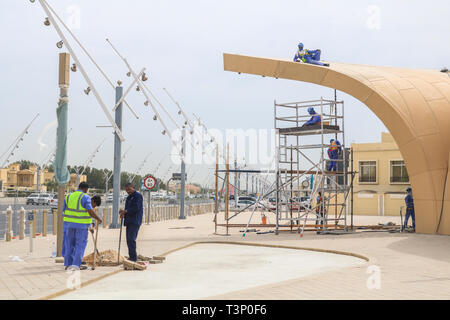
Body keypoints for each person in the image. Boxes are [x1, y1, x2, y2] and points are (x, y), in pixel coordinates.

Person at [63, 182, 102, 271]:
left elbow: (64, 211)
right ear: (86, 189)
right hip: (81, 226)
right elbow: (90, 211)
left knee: (69, 245)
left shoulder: (68, 196)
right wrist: (98, 219)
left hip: (69, 225)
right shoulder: (85, 197)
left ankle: (68, 264)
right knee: (80, 245)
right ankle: (76, 265)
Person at [120, 183, 143, 262]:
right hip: (129, 221)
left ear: (133, 188)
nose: (128, 191)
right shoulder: (129, 197)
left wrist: (125, 211)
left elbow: (136, 208)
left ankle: (133, 258)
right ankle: (131, 256)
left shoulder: (138, 196)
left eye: (129, 189)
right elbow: (127, 208)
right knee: (128, 240)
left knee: (131, 239)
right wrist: (123, 214)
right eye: (126, 190)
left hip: (135, 220)